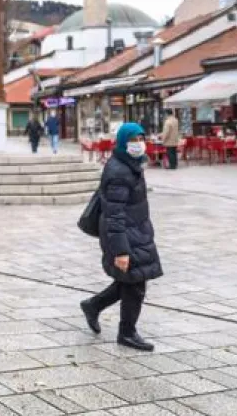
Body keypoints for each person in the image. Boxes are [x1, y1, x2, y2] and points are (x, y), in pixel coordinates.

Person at [80, 122, 162, 352]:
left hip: (135, 231)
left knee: (130, 280)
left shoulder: (130, 164)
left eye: (140, 139)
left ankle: (93, 306)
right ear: (124, 142)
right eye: (133, 140)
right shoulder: (119, 171)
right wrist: (121, 251)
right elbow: (114, 214)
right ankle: (126, 333)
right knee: (135, 283)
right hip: (125, 234)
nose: (138, 144)